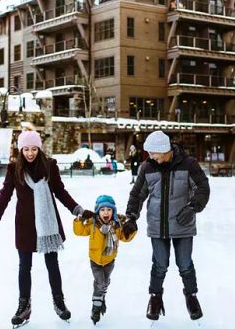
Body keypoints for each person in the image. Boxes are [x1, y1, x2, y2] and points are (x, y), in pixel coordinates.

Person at [0, 130, 93, 326]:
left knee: (52, 264)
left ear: (39, 149)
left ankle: (59, 302)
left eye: (34, 149)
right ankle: (24, 306)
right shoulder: (14, 169)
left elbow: (60, 191)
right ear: (20, 150)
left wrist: (77, 210)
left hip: (47, 225)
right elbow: (5, 195)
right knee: (25, 266)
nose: (30, 153)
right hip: (25, 225)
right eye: (26, 149)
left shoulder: (49, 166)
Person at [125, 130, 210, 321]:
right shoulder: (147, 167)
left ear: (164, 150)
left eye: (153, 153)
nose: (150, 156)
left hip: (183, 223)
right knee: (160, 264)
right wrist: (131, 217)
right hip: (158, 225)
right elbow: (137, 194)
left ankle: (191, 297)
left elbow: (203, 188)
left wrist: (193, 207)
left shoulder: (188, 164)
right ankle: (155, 298)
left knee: (185, 264)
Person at [73, 195, 137, 325]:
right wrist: (80, 219)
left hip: (110, 260)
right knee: (100, 282)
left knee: (105, 282)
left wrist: (132, 228)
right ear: (98, 212)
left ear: (113, 211)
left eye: (109, 209)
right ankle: (96, 308)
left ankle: (101, 297)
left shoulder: (117, 225)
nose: (106, 212)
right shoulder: (92, 224)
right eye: (102, 210)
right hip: (95, 260)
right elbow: (79, 231)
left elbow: (125, 238)